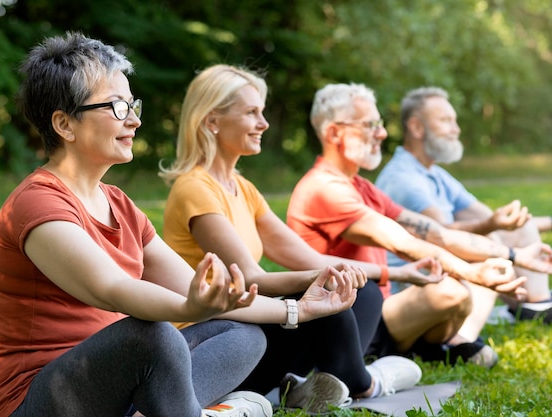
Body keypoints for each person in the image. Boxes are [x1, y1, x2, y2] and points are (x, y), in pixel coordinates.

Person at [0, 33, 360, 417]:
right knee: (152, 335)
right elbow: (111, 289)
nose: (134, 119)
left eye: (132, 105)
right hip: (37, 401)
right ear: (64, 124)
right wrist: (189, 305)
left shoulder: (119, 205)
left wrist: (297, 311)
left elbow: (200, 286)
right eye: (116, 107)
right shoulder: (38, 203)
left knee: (241, 334)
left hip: (115, 390)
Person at [159, 64, 426, 414]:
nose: (264, 123)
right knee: (326, 305)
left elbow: (307, 259)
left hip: (247, 326)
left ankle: (309, 385)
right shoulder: (194, 188)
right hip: (214, 344)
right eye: (252, 113)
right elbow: (252, 279)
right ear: (212, 122)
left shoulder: (244, 189)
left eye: (263, 112)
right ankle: (364, 383)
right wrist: (320, 282)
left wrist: (398, 272)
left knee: (366, 294)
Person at [285, 83, 552, 369]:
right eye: (369, 124)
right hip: (349, 316)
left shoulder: (365, 188)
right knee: (452, 290)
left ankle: (426, 348)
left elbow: (438, 233)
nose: (382, 133)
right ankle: (415, 350)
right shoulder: (325, 189)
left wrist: (514, 255)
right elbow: (406, 244)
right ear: (334, 132)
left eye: (380, 124)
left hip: (380, 306)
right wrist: (474, 271)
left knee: (457, 289)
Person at [375, 86, 552, 324]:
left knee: (521, 228)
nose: (455, 129)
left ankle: (536, 305)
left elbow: (492, 220)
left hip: (442, 261)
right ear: (417, 127)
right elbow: (444, 236)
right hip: (411, 282)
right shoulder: (403, 179)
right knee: (488, 253)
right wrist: (492, 230)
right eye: (446, 121)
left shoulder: (435, 174)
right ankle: (466, 337)